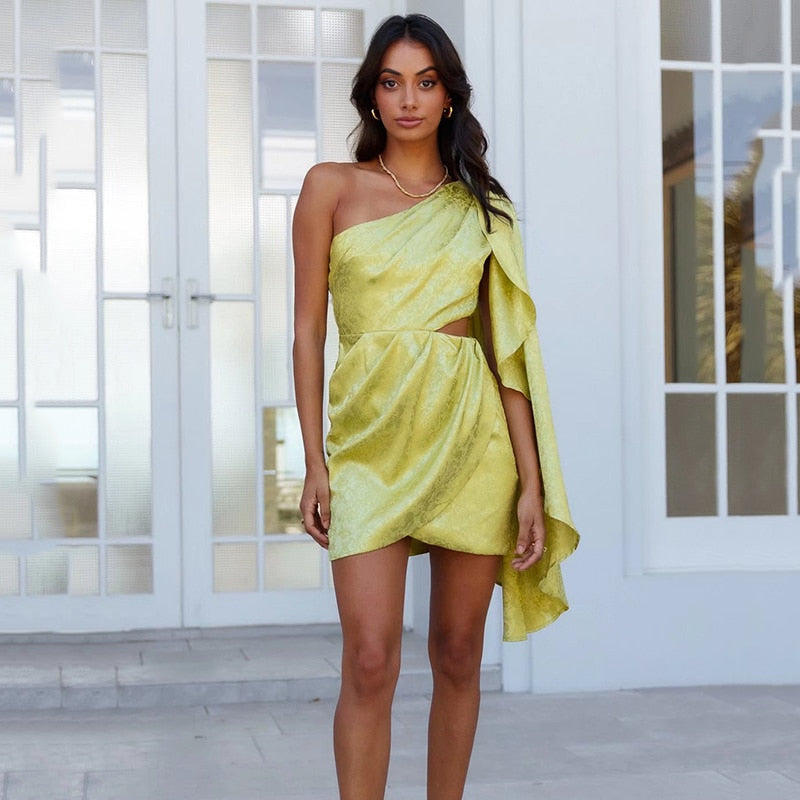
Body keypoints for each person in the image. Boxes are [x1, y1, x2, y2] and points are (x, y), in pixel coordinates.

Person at [292, 13, 578, 800]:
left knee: (457, 653)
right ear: (371, 95)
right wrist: (313, 460)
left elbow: (506, 353)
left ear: (449, 95)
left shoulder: (483, 209)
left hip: (471, 441)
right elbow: (308, 333)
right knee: (369, 659)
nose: (409, 100)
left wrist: (531, 480)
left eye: (425, 82)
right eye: (392, 83)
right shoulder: (329, 188)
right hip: (368, 444)